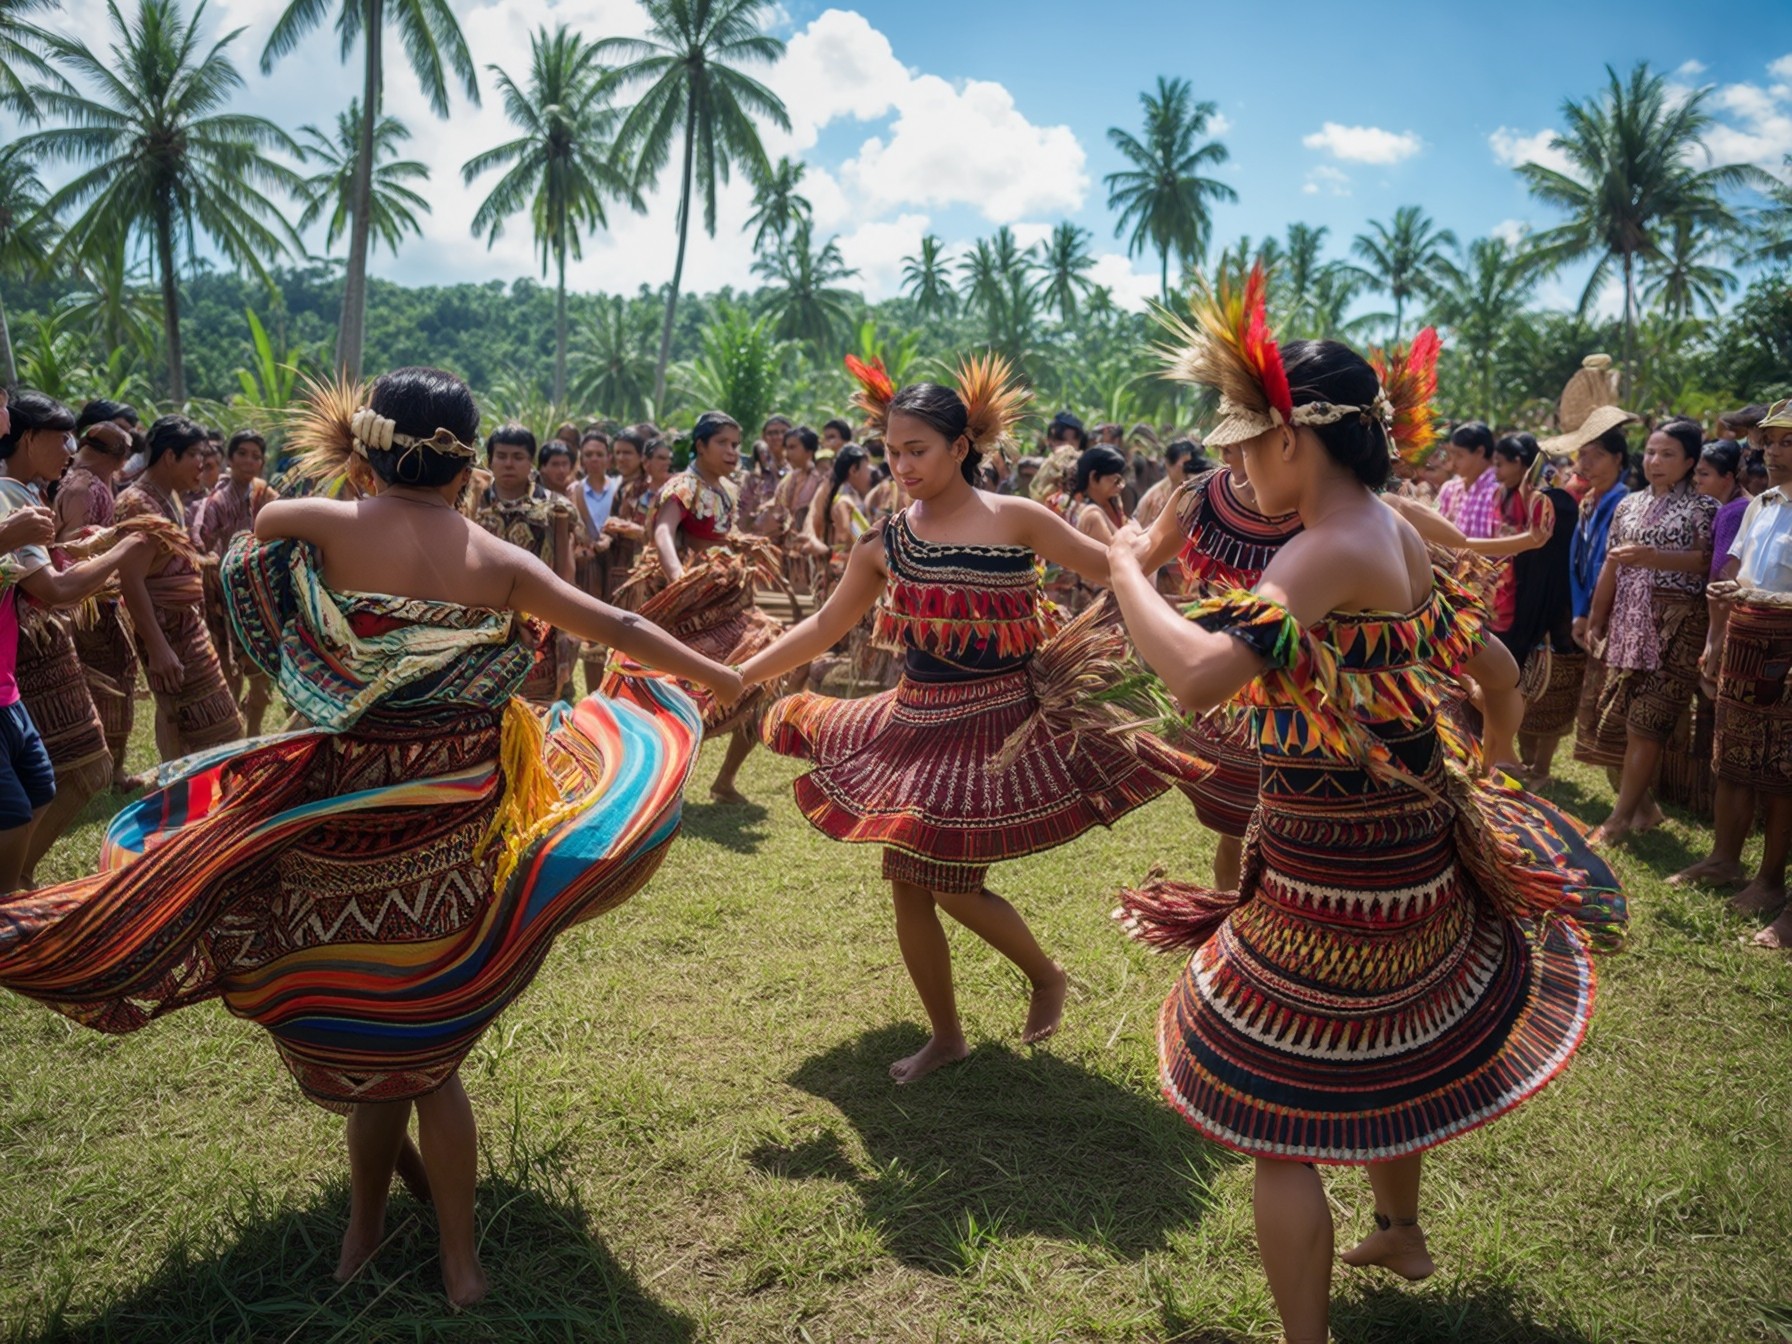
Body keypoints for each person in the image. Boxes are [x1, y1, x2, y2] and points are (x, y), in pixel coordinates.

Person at [0, 367, 740, 1307]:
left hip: (341, 824)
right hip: (456, 835)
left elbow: (261, 537)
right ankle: (461, 1264)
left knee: (389, 1051)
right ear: (471, 464)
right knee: (433, 1050)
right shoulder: (500, 562)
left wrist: (349, 501)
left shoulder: (324, 523)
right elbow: (623, 621)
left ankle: (361, 1235)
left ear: (367, 447)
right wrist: (722, 677)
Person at [1104, 272, 1620, 1344]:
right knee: (1385, 1051)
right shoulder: (1393, 534)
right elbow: (1489, 667)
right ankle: (1399, 1228)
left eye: (1248, 445)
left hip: (1330, 871)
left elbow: (1201, 677)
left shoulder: (1321, 550)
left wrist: (1123, 572)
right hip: (1412, 850)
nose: (1238, 466)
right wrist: (1495, 762)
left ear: (1295, 440)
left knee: (1277, 1116)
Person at [740, 355, 1198, 1083]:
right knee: (908, 882)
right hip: (914, 725)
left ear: (961, 447)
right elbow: (827, 627)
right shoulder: (886, 540)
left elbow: (1114, 566)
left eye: (916, 450)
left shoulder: (1015, 517)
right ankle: (947, 1036)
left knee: (949, 884)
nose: (901, 464)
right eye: (891, 451)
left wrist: (1172, 549)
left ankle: (1045, 976)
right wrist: (742, 672)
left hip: (1001, 727)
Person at [0, 393, 162, 889]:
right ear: (29, 438)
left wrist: (85, 547)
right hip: (26, 662)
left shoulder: (25, 496)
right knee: (27, 800)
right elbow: (53, 589)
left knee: (40, 788)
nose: (69, 450)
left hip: (7, 682)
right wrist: (122, 553)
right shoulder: (12, 496)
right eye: (62, 437)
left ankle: (15, 886)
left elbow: (38, 572)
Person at [605, 411, 788, 805]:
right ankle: (662, 780)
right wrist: (679, 580)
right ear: (700, 446)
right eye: (723, 443)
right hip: (693, 604)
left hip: (727, 596)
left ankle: (723, 781)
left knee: (768, 674)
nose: (732, 451)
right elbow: (663, 532)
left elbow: (720, 534)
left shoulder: (725, 489)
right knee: (687, 692)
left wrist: (749, 540)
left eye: (736, 444)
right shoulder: (683, 486)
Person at [1677, 399, 1792, 932]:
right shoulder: (1761, 506)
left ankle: (1771, 882)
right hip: (1746, 641)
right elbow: (1745, 575)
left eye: (1787, 441)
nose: (1773, 451)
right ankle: (1726, 859)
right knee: (1733, 758)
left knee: (1782, 773)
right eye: (1770, 441)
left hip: (1787, 650)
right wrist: (1721, 630)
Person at [1584, 418, 1715, 844]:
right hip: (1628, 620)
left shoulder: (1703, 509)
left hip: (1678, 625)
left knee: (1646, 723)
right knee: (1614, 721)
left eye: (1668, 454)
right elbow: (1611, 563)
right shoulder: (1629, 505)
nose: (1655, 462)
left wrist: (1655, 556)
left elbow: (1705, 563)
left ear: (1691, 461)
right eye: (1651, 453)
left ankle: (1618, 821)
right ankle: (1645, 810)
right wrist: (1597, 617)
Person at [115, 415, 245, 759]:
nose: (202, 465)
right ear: (170, 457)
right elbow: (131, 579)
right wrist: (159, 648)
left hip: (185, 626)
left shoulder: (167, 496)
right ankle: (181, 799)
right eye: (195, 456)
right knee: (211, 728)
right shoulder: (138, 504)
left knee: (186, 721)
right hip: (168, 631)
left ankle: (183, 798)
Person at [55, 413, 154, 789]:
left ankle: (107, 768)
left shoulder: (85, 482)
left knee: (114, 677)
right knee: (111, 678)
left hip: (94, 596)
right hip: (88, 602)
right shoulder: (83, 487)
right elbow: (71, 547)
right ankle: (108, 772)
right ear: (114, 455)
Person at [1489, 434, 1582, 785]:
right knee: (1512, 684)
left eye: (1502, 463)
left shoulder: (1553, 502)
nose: (1496, 472)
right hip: (1513, 597)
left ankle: (1535, 766)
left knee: (1542, 687)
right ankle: (1511, 759)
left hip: (1543, 600)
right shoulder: (1511, 497)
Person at [473, 424, 577, 705]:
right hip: (485, 615)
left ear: (530, 461)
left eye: (518, 456)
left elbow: (565, 565)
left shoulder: (556, 507)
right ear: (490, 460)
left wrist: (566, 622)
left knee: (544, 701)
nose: (509, 463)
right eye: (502, 456)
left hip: (541, 613)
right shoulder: (473, 505)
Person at [192, 430, 278, 736]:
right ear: (230, 458)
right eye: (242, 453)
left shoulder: (266, 495)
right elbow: (200, 542)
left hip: (259, 589)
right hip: (223, 590)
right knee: (229, 661)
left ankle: (253, 732)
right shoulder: (216, 501)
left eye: (256, 456)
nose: (249, 461)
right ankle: (235, 733)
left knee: (261, 665)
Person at [771, 426, 825, 598]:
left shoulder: (822, 480)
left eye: (793, 447)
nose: (787, 453)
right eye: (786, 447)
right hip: (789, 555)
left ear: (809, 450)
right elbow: (778, 512)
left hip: (814, 556)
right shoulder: (787, 480)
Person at [1435, 421, 1502, 539]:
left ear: (1480, 452)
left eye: (1459, 455)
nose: (1453, 462)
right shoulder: (1450, 489)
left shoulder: (1497, 492)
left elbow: (1505, 545)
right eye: (1452, 454)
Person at [1133, 438, 1203, 528]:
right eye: (1185, 463)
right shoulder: (1153, 497)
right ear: (1168, 464)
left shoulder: (1199, 492)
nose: (1188, 468)